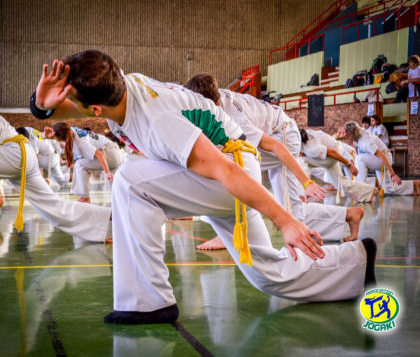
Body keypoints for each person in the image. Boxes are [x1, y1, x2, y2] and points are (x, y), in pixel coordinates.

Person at [31, 50, 376, 325]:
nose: (65, 104)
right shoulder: (122, 86)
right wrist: (41, 104)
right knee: (266, 274)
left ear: (93, 108)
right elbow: (63, 106)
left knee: (130, 182)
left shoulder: (157, 121)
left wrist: (285, 220)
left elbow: (224, 169)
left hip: (232, 172)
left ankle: (149, 302)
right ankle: (356, 262)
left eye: (68, 98)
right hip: (229, 169)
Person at [185, 74, 366, 250]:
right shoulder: (210, 96)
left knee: (235, 173)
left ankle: (229, 233)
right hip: (277, 131)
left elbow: (275, 146)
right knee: (287, 207)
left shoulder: (233, 116)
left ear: (213, 103)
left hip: (284, 135)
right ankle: (349, 215)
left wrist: (307, 182)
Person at [0, 115, 111, 241]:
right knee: (57, 207)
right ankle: (110, 216)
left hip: (24, 156)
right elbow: (41, 141)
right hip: (26, 154)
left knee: (62, 180)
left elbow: (99, 154)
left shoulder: (78, 139)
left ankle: (72, 177)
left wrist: (46, 176)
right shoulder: (28, 133)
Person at [44, 122, 123, 203]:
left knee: (79, 164)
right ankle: (122, 202)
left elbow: (100, 155)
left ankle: (85, 198)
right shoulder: (70, 131)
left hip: (109, 153)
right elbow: (88, 161)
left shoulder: (80, 142)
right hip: (115, 153)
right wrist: (48, 136)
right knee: (114, 189)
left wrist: (107, 173)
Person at [337, 122, 420, 196]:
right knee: (388, 189)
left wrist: (393, 175)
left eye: (346, 133)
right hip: (377, 159)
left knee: (359, 159)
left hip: (384, 158)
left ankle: (363, 191)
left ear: (351, 133)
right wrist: (339, 135)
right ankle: (413, 185)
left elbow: (382, 156)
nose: (344, 135)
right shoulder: (356, 136)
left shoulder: (365, 141)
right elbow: (348, 136)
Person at [300, 129, 378, 203]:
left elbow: (332, 152)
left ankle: (301, 195)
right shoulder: (303, 136)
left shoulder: (311, 148)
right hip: (332, 154)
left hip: (333, 156)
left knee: (301, 161)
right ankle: (369, 192)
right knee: (340, 184)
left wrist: (349, 164)